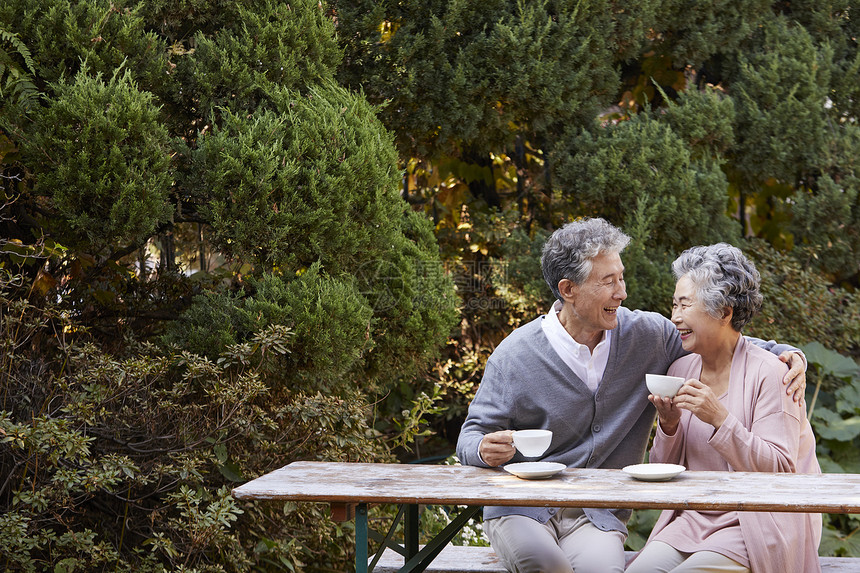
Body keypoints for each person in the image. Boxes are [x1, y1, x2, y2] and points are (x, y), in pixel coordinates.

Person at [455, 218, 807, 573]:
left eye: (621, 277)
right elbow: (469, 438)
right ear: (568, 289)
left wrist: (788, 353)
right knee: (548, 567)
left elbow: (723, 337)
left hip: (596, 514)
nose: (622, 292)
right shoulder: (515, 355)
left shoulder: (647, 335)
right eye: (608, 282)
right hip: (522, 509)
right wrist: (484, 449)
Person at [626, 244, 821, 573]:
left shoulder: (774, 374)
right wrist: (669, 425)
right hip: (691, 517)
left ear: (724, 312)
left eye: (685, 305)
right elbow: (664, 471)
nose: (674, 317)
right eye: (674, 304)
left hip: (755, 521)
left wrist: (719, 418)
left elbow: (780, 471)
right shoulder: (679, 371)